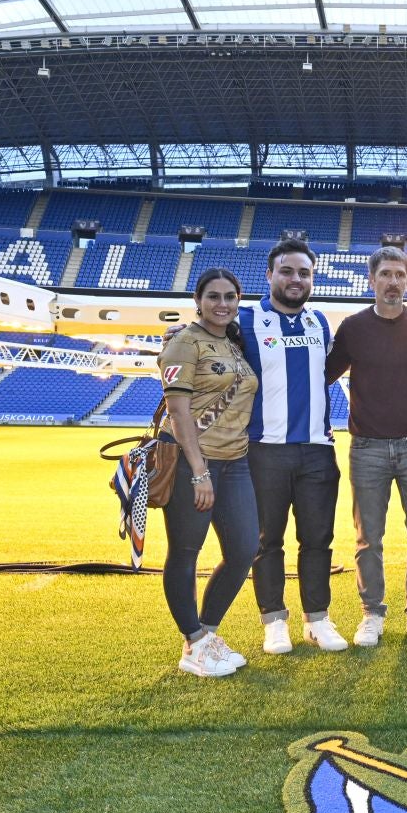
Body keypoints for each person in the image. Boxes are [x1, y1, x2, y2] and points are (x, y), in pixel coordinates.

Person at [323, 246, 407, 647]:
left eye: (400, 274)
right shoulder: (354, 328)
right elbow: (322, 374)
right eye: (386, 274)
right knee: (368, 538)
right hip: (368, 448)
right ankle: (372, 613)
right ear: (372, 279)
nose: (393, 282)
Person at [242, 238, 348, 656]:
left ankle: (317, 619)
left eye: (304, 273)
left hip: (317, 451)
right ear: (270, 275)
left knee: (318, 539)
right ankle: (274, 621)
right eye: (287, 271)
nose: (296, 279)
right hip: (265, 450)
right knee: (267, 540)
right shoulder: (246, 319)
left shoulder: (318, 322)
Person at [158, 267, 259, 678]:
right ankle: (193, 643)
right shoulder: (185, 342)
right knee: (185, 552)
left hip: (235, 461)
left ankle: (206, 634)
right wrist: (199, 470)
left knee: (243, 549)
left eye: (230, 297)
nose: (222, 304)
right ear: (198, 300)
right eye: (214, 296)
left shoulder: (232, 341)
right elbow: (177, 411)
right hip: (190, 461)